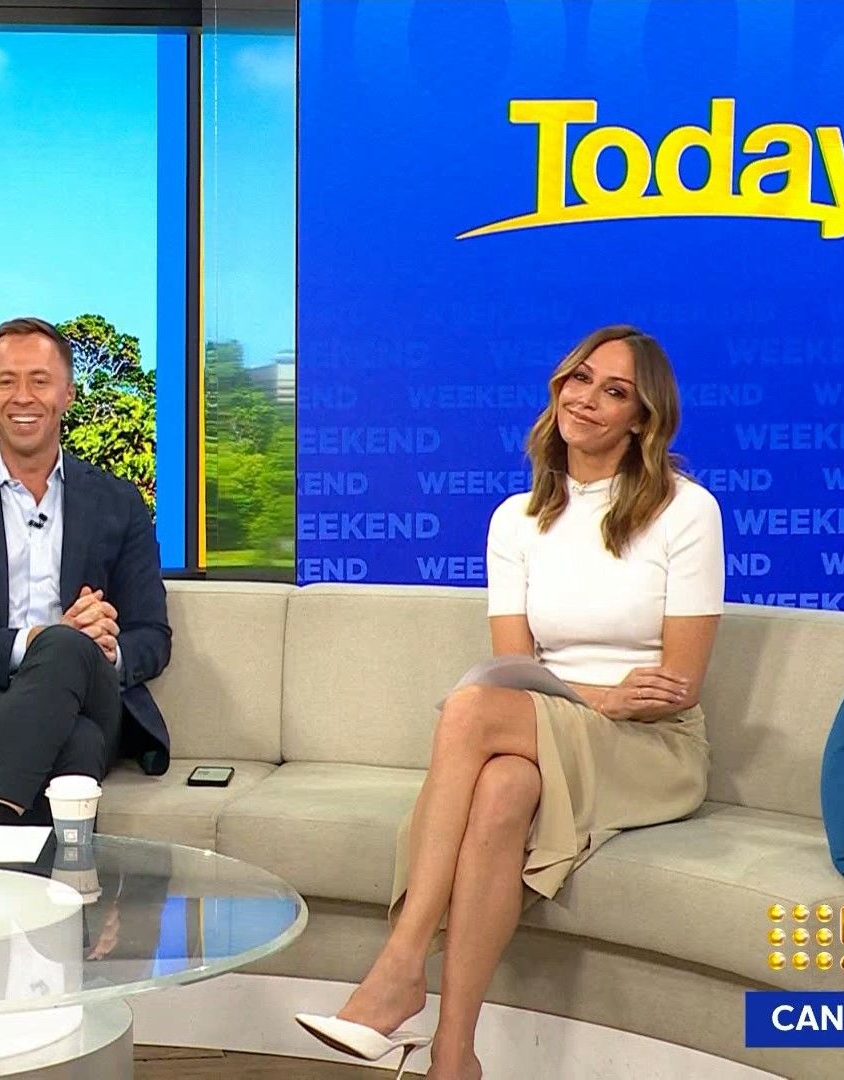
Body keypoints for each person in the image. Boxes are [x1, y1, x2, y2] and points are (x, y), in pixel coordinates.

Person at [295, 325, 725, 1079]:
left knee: (468, 708)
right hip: (557, 724)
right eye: (579, 379)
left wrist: (608, 705)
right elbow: (516, 668)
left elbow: (676, 686)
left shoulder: (686, 511)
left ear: (642, 419)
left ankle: (400, 965)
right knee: (501, 788)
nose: (587, 399)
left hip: (653, 747)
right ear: (558, 386)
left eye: (614, 392)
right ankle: (453, 1056)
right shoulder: (516, 519)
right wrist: (602, 697)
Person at [0, 316, 172, 825]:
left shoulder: (118, 502)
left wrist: (107, 648)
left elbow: (153, 636)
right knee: (75, 743)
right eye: (6, 382)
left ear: (68, 394)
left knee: (68, 649)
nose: (23, 397)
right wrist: (35, 640)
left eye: (40, 381)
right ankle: (61, 876)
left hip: (91, 696)